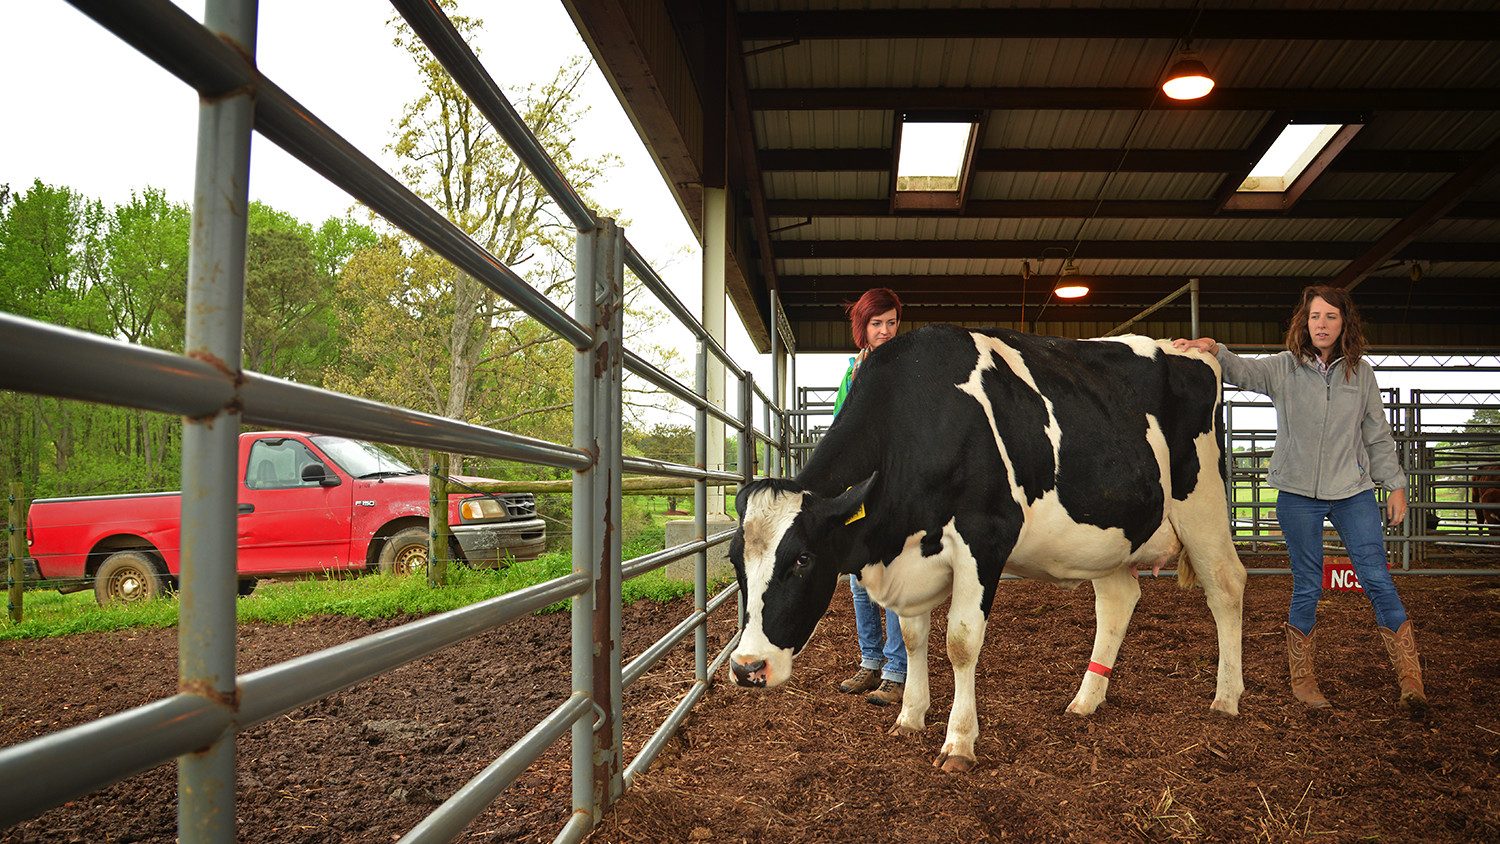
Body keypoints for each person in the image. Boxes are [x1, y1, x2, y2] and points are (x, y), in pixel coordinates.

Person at [1174, 285, 1428, 714]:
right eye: (1315, 317)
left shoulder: (1361, 374)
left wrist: (1396, 483)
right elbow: (1244, 371)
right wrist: (1215, 348)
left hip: (1353, 492)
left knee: (1377, 578)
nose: (1322, 325)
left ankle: (1411, 679)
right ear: (1304, 322)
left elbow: (1376, 434)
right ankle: (1303, 679)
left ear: (1344, 323)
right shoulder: (1284, 369)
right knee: (1307, 584)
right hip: (1297, 496)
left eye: (1330, 316)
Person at [833, 287, 908, 707]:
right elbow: (842, 424)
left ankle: (897, 671)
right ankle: (871, 660)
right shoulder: (851, 372)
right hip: (856, 486)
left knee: (892, 575)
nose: (885, 331)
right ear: (862, 327)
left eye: (891, 323)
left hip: (891, 483)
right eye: (877, 324)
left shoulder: (905, 367)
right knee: (859, 577)